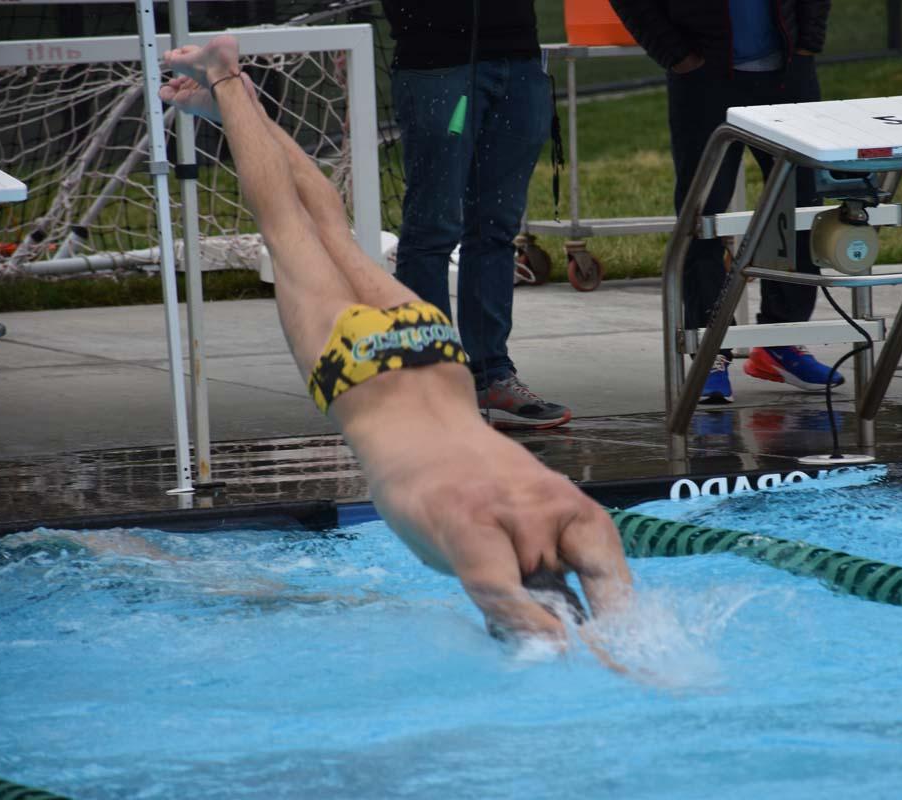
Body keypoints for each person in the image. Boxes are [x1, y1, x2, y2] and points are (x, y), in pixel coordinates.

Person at [158, 36, 632, 642]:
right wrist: (576, 652)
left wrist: (610, 644)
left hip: (434, 348)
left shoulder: (581, 517)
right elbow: (519, 607)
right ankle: (227, 83)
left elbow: (619, 606)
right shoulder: (473, 535)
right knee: (287, 226)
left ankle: (240, 102)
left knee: (332, 230)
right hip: (360, 376)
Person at [608, 0, 842, 403]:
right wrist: (677, 56)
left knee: (800, 209)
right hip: (704, 76)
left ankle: (781, 341)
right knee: (704, 214)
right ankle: (710, 350)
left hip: (787, 73)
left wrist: (807, 46)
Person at [381, 0, 571, 430]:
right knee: (433, 228)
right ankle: (430, 377)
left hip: (518, 59)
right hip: (436, 62)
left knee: (496, 229)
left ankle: (492, 373)